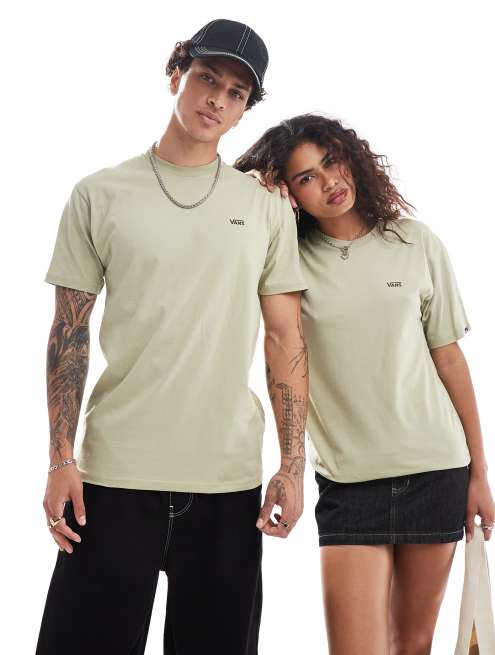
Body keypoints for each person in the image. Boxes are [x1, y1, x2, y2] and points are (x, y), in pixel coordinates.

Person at [36, 20, 308, 655]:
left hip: (226, 482)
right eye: (207, 78)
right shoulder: (100, 194)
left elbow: (285, 339)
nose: (217, 99)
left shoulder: (265, 207)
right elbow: (69, 331)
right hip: (113, 475)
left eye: (237, 92)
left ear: (245, 109)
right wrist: (60, 457)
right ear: (176, 75)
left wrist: (292, 467)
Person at [234, 113, 495, 655]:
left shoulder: (415, 242)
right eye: (306, 177)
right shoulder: (287, 258)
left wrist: (480, 473)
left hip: (436, 468)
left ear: (352, 158)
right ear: (290, 193)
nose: (329, 181)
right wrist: (257, 194)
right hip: (349, 481)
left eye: (331, 161)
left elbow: (449, 360)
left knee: (412, 646)